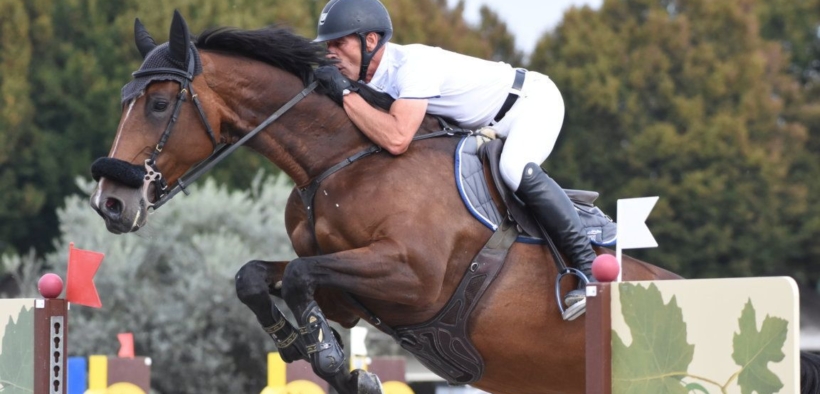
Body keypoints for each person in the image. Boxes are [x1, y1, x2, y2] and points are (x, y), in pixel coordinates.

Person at [312, 0, 597, 318]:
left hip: (530, 104)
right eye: (327, 45)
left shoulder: (413, 65)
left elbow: (396, 138)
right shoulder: (366, 79)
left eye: (339, 42)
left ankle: (589, 269)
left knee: (513, 169)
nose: (331, 52)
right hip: (485, 126)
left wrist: (344, 94)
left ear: (371, 41)